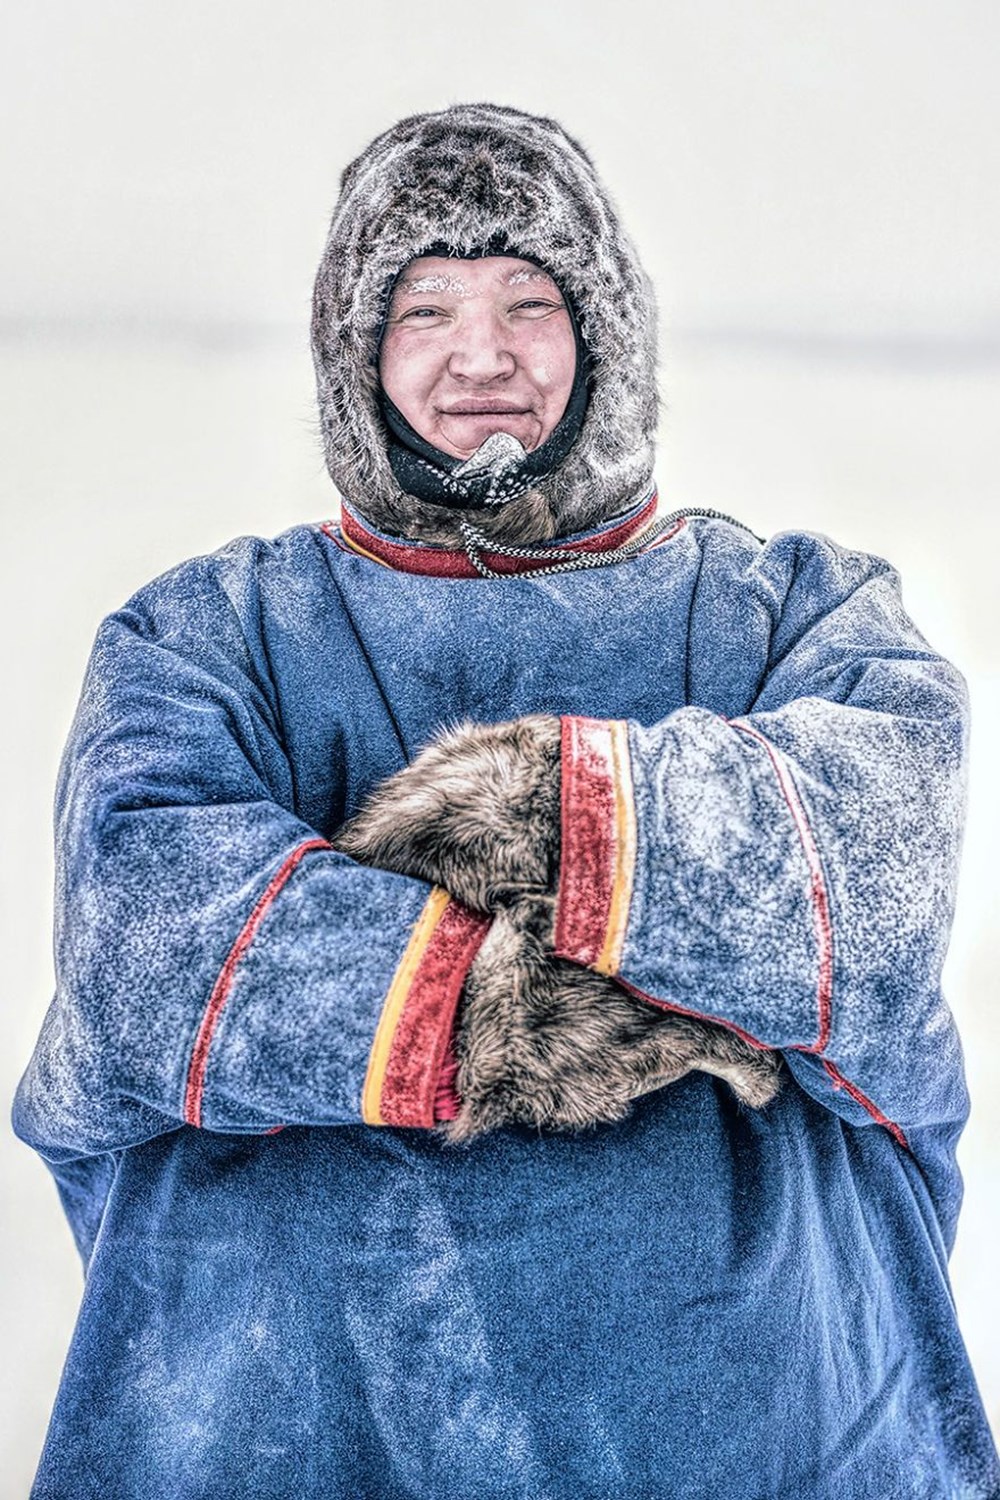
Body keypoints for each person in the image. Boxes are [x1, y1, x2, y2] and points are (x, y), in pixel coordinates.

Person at [12, 101, 1000, 1499]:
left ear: (606, 334)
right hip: (283, 1424)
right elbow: (148, 941)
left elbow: (879, 857)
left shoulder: (790, 610)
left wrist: (532, 813)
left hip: (762, 1433)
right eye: (425, 309)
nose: (482, 356)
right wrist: (534, 1006)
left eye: (530, 299)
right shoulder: (207, 637)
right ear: (356, 352)